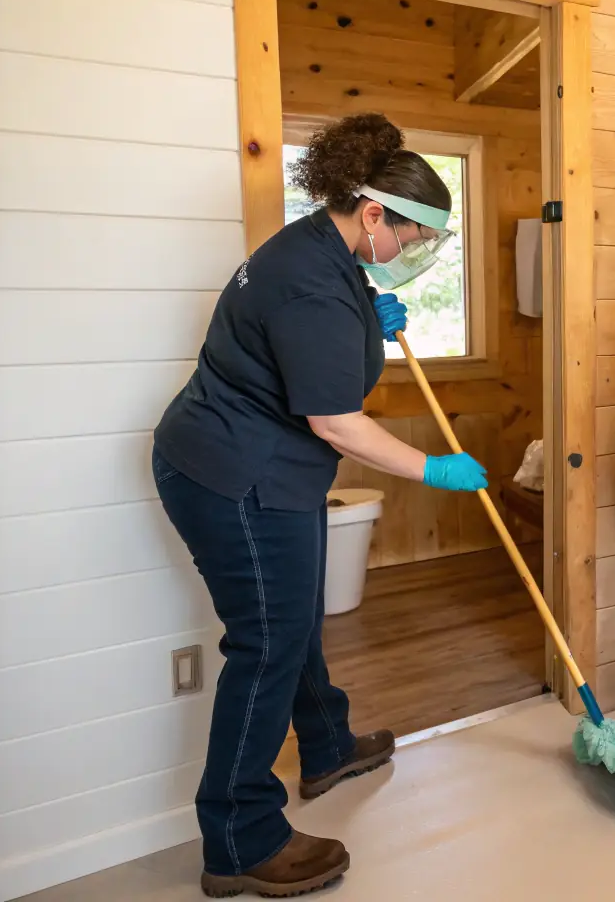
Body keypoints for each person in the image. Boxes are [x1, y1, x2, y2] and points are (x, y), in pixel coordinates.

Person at [153, 114, 489, 898]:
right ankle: (239, 840)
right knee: (267, 644)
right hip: (235, 477)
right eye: (410, 236)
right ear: (372, 213)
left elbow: (306, 338)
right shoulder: (313, 284)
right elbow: (336, 422)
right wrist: (432, 468)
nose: (410, 251)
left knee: (294, 620)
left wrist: (368, 320)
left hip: (265, 467)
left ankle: (327, 746)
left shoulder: (315, 249)